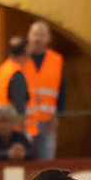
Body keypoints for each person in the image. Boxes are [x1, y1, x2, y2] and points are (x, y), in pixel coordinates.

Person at [23, 21, 64, 159]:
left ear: (48, 38)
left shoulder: (56, 60)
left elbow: (61, 89)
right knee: (26, 160)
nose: (37, 39)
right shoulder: (21, 59)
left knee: (47, 161)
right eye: (35, 34)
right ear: (28, 36)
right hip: (25, 121)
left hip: (48, 120)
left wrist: (58, 114)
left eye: (41, 35)